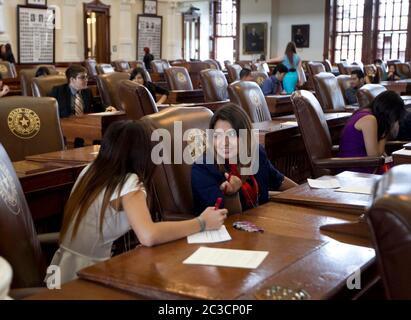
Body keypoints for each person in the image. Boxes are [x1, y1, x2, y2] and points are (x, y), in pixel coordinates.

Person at [47, 120, 227, 284]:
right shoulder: (128, 181)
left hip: (62, 270)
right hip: (85, 280)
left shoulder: (91, 170)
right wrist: (202, 223)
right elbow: (148, 235)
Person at [191, 104, 297, 215]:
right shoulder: (203, 168)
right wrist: (232, 194)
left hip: (260, 220)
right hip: (225, 228)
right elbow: (225, 217)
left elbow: (278, 180)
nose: (224, 142)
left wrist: (306, 193)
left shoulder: (256, 153)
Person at [338, 91, 406, 173]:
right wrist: (386, 131)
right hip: (355, 169)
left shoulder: (367, 113)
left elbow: (379, 154)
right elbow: (374, 157)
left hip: (363, 165)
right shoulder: (369, 119)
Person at [49, 65, 116, 118]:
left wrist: (109, 108)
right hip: (65, 125)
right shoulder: (58, 91)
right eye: (82, 77)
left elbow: (96, 105)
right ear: (72, 79)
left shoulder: (87, 91)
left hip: (84, 123)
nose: (86, 80)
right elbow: (50, 111)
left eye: (86, 77)